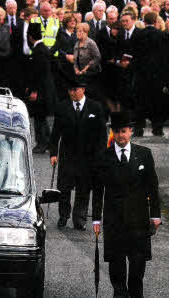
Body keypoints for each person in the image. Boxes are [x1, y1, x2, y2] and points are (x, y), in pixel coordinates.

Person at [92, 111, 161, 298]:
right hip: (114, 220)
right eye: (117, 131)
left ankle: (136, 294)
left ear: (131, 131)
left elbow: (152, 187)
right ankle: (120, 293)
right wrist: (96, 219)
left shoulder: (144, 155)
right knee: (116, 263)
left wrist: (155, 215)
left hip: (138, 219)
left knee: (138, 264)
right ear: (112, 132)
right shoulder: (103, 157)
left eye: (124, 131)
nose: (121, 136)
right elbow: (98, 190)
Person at [50, 78, 106, 230]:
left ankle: (79, 219)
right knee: (64, 188)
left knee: (84, 188)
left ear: (83, 89)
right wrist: (53, 153)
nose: (73, 93)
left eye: (75, 90)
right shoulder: (62, 107)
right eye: (70, 90)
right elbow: (55, 133)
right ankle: (63, 215)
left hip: (88, 157)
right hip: (68, 155)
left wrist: (100, 156)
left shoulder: (95, 108)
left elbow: (102, 136)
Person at [25, 22, 56, 154]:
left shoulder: (38, 51)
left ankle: (41, 143)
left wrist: (34, 91)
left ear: (31, 37)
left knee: (39, 117)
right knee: (42, 117)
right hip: (46, 89)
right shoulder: (44, 49)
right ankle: (47, 142)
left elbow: (38, 74)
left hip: (40, 91)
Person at [73, 22, 102, 103]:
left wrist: (87, 67)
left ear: (85, 32)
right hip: (80, 76)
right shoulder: (77, 43)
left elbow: (97, 57)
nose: (77, 33)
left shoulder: (90, 43)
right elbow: (75, 59)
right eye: (77, 31)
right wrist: (75, 68)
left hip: (91, 75)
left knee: (92, 97)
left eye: (80, 31)